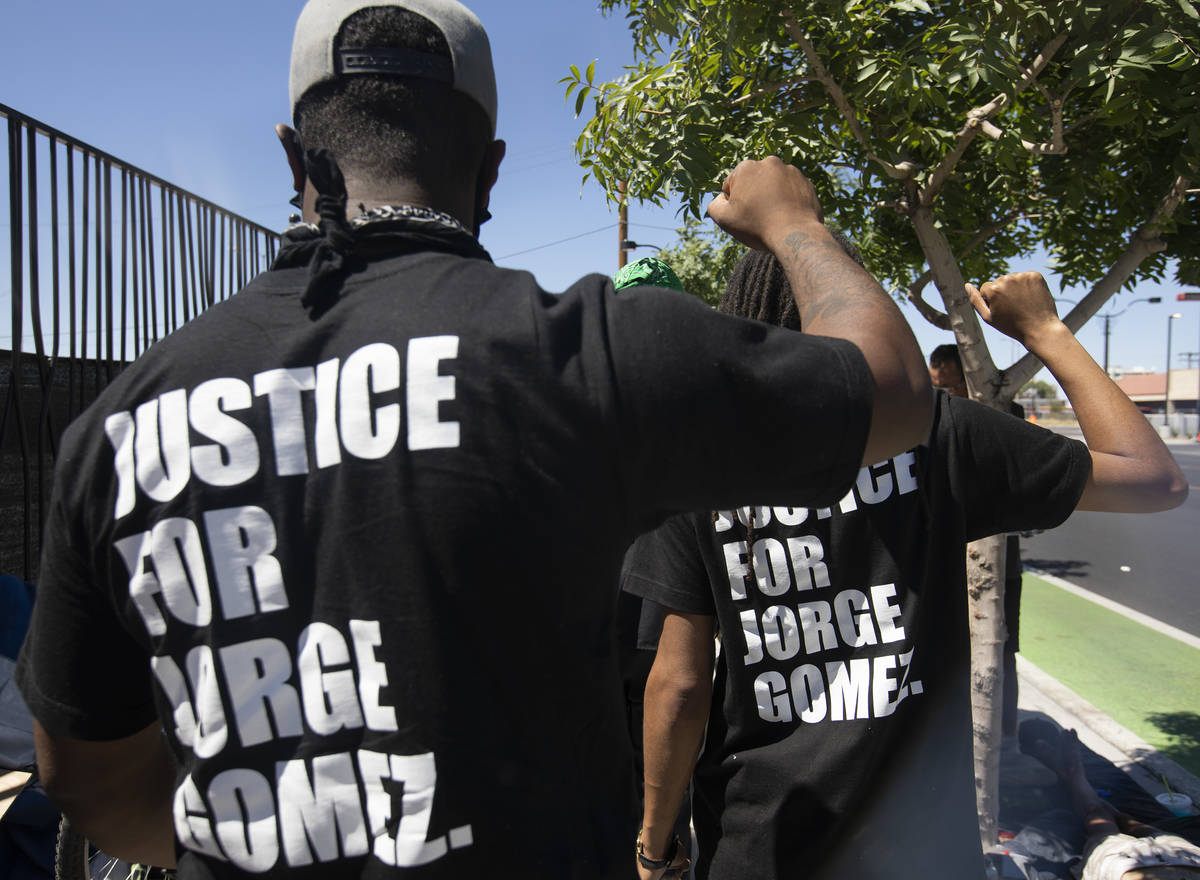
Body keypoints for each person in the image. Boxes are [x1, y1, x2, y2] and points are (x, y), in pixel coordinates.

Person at [14, 1, 935, 877]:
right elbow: (893, 391)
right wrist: (793, 222)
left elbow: (86, 775)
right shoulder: (596, 353)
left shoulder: (117, 427)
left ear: (293, 155)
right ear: (490, 170)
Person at [623, 256, 1187, 880]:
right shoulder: (938, 434)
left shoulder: (700, 464)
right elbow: (1151, 479)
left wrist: (655, 844)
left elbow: (678, 685)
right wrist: (1045, 330)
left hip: (761, 841)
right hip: (923, 847)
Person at [927, 342, 1028, 740]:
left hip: (999, 564)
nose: (947, 396)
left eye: (953, 387)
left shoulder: (1004, 416)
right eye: (940, 388)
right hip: (950, 562)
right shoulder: (929, 421)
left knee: (1000, 652)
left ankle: (1006, 736)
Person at [1019, 720, 1200, 880]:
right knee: (1135, 826)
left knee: (1099, 818)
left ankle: (1075, 776)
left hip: (1124, 866)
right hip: (1185, 861)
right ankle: (1078, 780)